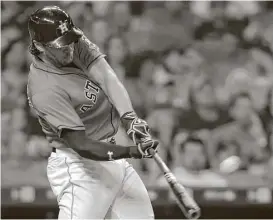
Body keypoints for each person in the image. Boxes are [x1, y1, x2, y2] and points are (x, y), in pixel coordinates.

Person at [26, 6, 158, 219]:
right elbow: (83, 147)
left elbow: (106, 76)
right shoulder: (45, 88)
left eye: (69, 39)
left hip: (112, 155)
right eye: (60, 46)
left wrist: (130, 118)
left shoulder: (68, 40)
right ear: (39, 47)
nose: (68, 47)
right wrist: (133, 151)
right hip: (80, 168)